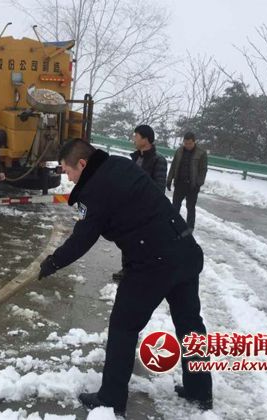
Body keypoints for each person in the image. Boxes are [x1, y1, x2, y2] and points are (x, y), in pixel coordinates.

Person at [39, 139, 213, 415]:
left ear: (82, 164)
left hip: (152, 263)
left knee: (123, 326)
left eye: (68, 171)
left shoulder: (93, 191)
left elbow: (82, 239)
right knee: (190, 325)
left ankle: (111, 398)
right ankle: (199, 390)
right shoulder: (120, 164)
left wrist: (52, 262)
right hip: (185, 250)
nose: (68, 178)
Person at [112, 124, 168, 282]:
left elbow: (159, 188)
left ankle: (143, 272)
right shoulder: (135, 158)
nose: (133, 139)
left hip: (146, 210)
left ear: (146, 139)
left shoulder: (158, 160)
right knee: (127, 240)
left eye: (136, 136)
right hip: (130, 207)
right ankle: (127, 269)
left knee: (144, 243)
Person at [166, 132, 208, 229]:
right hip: (179, 183)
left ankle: (190, 228)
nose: (187, 145)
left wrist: (198, 183)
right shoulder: (179, 151)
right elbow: (173, 166)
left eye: (189, 143)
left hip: (192, 185)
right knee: (175, 206)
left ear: (194, 142)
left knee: (190, 208)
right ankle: (174, 225)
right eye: (185, 143)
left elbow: (203, 170)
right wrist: (169, 179)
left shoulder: (201, 153)